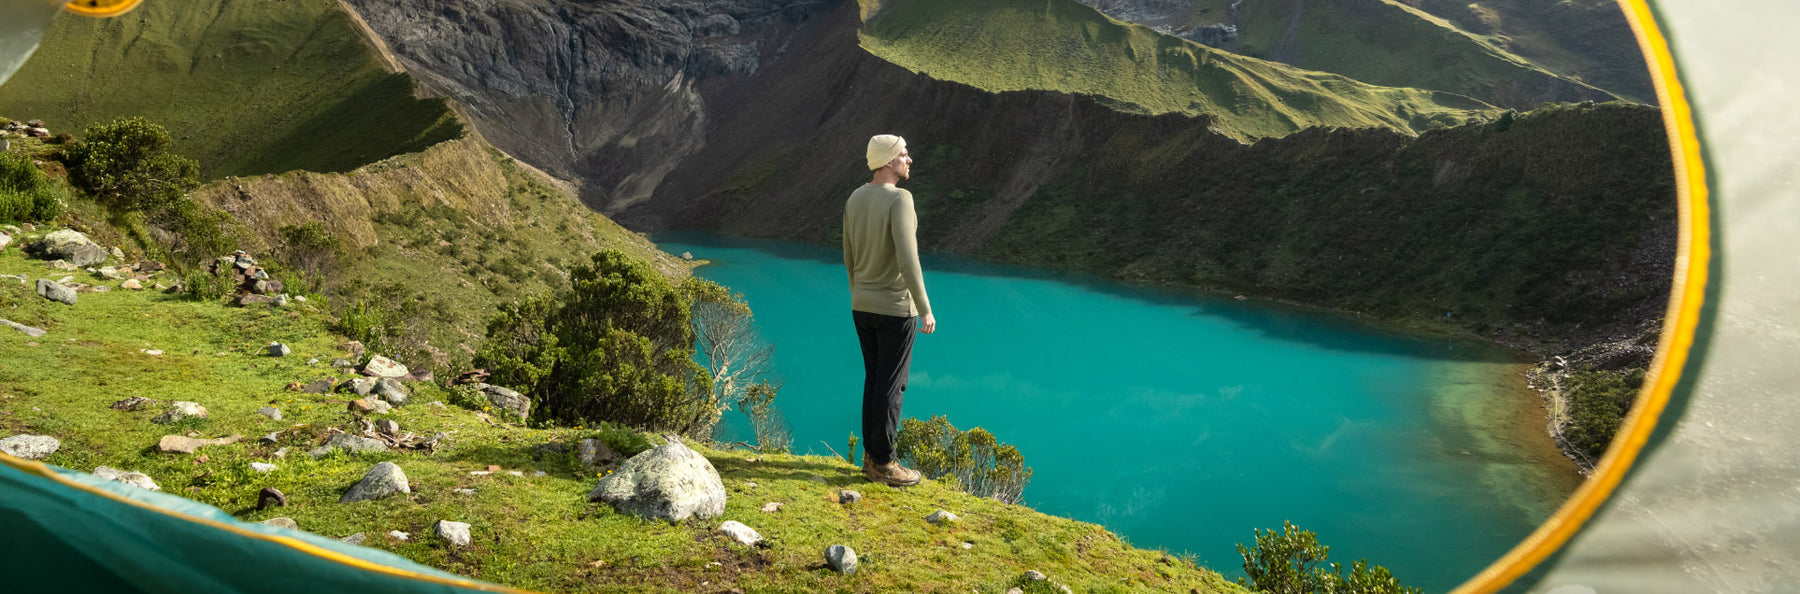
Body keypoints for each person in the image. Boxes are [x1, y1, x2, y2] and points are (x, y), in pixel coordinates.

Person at [843, 133, 937, 487]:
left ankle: (871, 456)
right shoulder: (901, 199)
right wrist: (924, 308)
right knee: (892, 385)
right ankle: (884, 463)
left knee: (874, 379)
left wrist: (859, 293)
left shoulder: (855, 198)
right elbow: (907, 257)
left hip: (862, 304)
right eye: (903, 154)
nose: (908, 159)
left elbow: (848, 253)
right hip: (896, 308)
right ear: (887, 161)